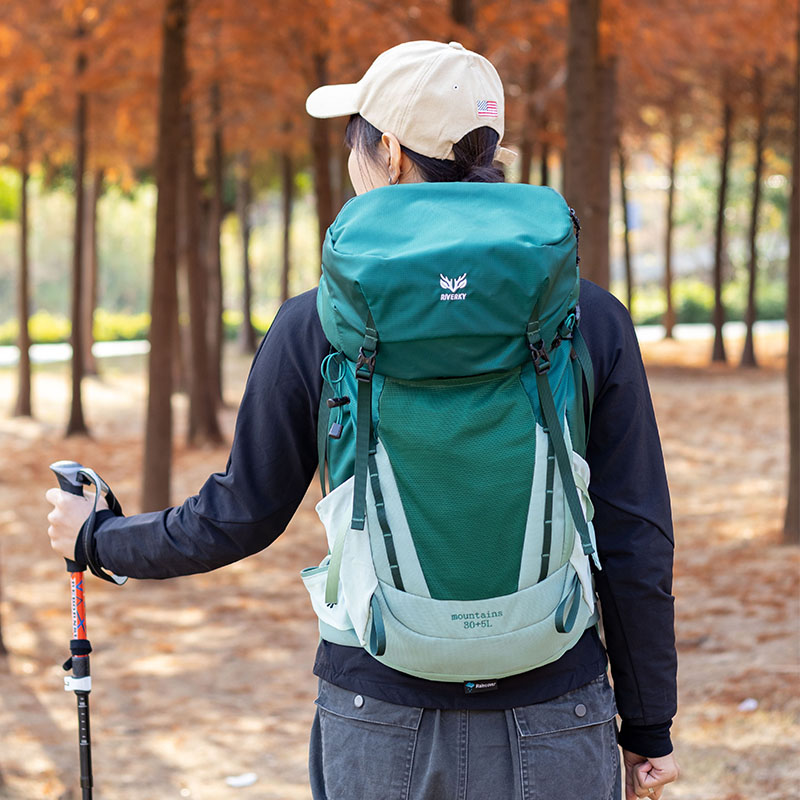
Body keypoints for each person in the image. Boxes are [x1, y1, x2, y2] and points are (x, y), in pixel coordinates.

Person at [47, 40, 679, 800]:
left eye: (355, 137)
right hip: (556, 708)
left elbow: (239, 516)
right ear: (490, 150)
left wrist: (99, 537)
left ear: (388, 148)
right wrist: (649, 729)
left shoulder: (319, 323)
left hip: (378, 712)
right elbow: (635, 537)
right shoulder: (591, 319)